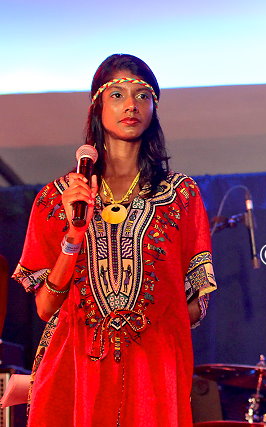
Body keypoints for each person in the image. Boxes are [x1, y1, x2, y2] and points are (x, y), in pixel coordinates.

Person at [13, 54, 217, 426]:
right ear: (98, 106)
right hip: (75, 371)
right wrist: (74, 235)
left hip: (152, 374)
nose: (131, 105)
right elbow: (45, 307)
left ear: (154, 108)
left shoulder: (181, 196)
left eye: (142, 95)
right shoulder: (57, 198)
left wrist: (152, 325)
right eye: (118, 95)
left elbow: (196, 303)